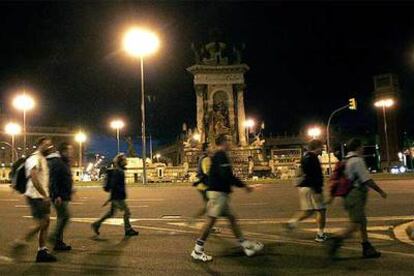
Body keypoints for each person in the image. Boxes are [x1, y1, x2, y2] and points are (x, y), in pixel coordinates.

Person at [191, 135, 263, 262]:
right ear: (223, 142)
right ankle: (197, 250)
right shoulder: (220, 155)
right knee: (210, 222)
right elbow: (227, 175)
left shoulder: (219, 155)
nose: (231, 142)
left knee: (231, 218)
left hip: (219, 193)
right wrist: (245, 186)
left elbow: (225, 175)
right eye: (229, 140)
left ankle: (245, 245)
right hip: (218, 193)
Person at [328, 138, 387, 259]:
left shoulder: (346, 160)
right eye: (362, 146)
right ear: (358, 147)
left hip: (348, 195)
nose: (363, 148)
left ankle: (367, 247)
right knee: (355, 224)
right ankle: (337, 238)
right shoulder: (357, 161)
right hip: (355, 195)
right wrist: (381, 191)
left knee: (362, 222)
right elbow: (367, 180)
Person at [12, 137, 57, 262]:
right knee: (41, 223)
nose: (50, 147)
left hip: (41, 196)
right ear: (40, 145)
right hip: (35, 196)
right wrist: (44, 195)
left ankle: (42, 251)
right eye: (47, 145)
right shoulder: (34, 158)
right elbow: (34, 177)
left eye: (50, 145)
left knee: (46, 222)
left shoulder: (42, 158)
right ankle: (21, 241)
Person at [284, 139, 328, 242]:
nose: (322, 149)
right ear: (316, 147)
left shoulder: (304, 157)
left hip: (304, 187)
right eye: (321, 147)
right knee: (321, 210)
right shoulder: (313, 158)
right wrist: (317, 190)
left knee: (308, 211)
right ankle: (320, 234)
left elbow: (302, 173)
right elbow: (313, 175)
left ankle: (292, 223)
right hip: (312, 188)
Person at [91, 153, 139, 237]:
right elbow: (113, 185)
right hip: (118, 197)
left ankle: (96, 224)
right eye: (124, 159)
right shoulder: (118, 171)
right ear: (120, 162)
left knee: (111, 213)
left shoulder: (120, 170)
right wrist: (112, 197)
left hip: (117, 196)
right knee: (127, 212)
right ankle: (128, 229)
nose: (126, 161)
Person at [47, 142, 74, 251]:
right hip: (59, 196)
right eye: (69, 151)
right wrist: (56, 195)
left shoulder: (64, 162)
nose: (71, 153)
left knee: (61, 218)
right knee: (65, 216)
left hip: (64, 195)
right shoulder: (57, 162)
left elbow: (65, 178)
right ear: (63, 151)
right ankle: (53, 237)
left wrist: (72, 189)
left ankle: (58, 243)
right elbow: (53, 180)